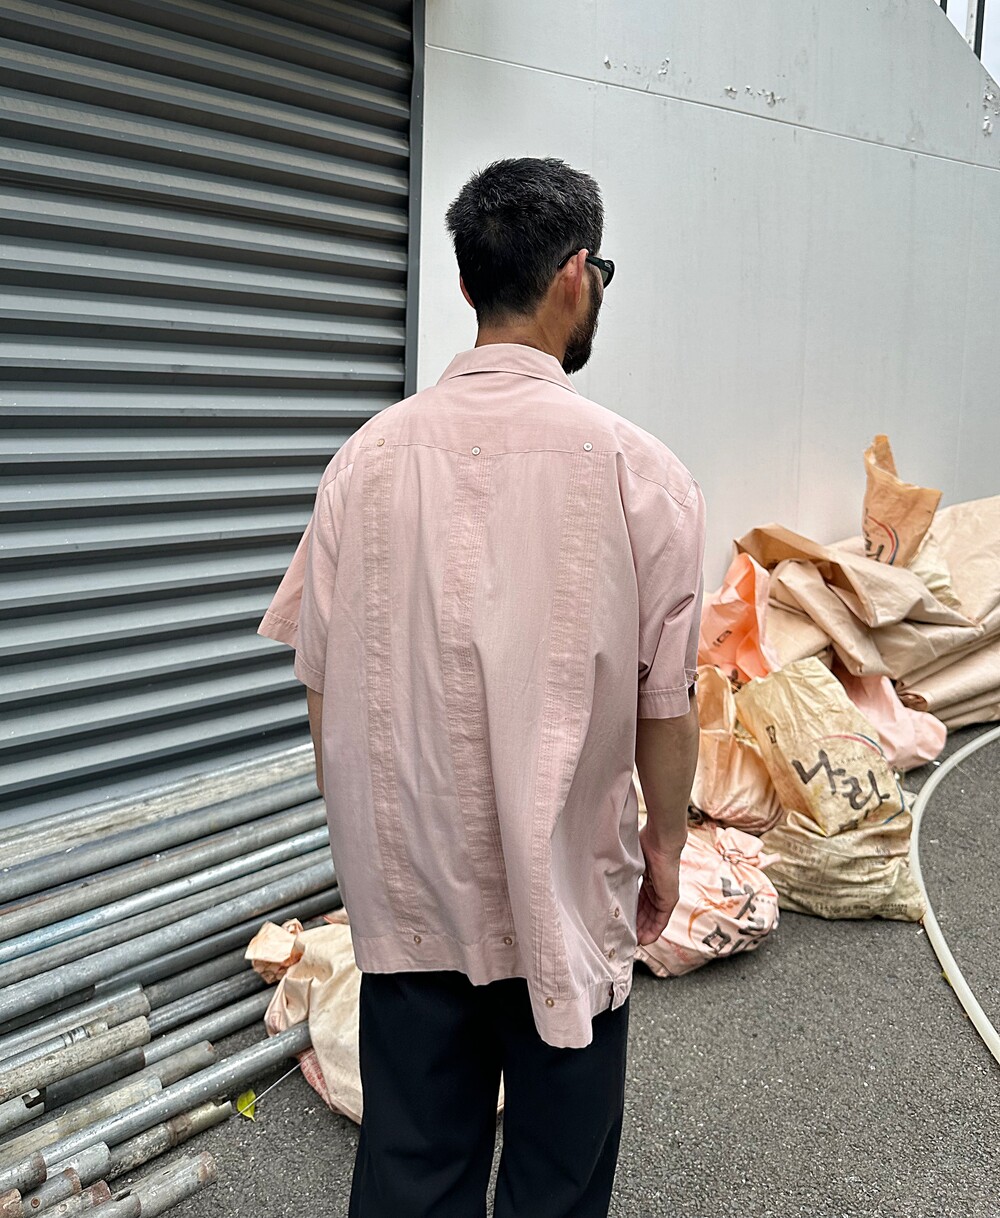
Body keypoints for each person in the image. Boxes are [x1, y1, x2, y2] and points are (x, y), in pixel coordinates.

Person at [259, 156, 705, 1218]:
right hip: (570, 897)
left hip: (409, 902)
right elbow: (666, 707)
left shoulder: (363, 463)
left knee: (413, 1174)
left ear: (465, 285)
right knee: (556, 1184)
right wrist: (665, 849)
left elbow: (322, 691)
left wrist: (368, 848)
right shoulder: (642, 475)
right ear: (575, 274)